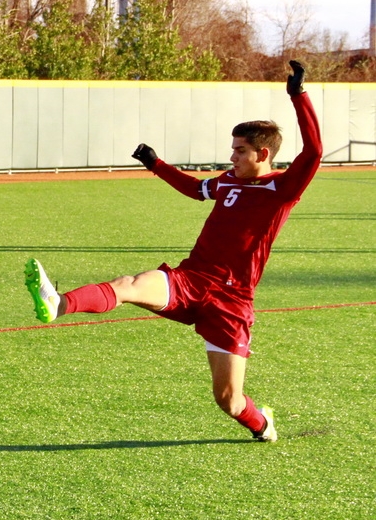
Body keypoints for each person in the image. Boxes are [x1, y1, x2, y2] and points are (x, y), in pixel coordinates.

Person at [24, 61, 321, 442]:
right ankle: (58, 303)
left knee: (228, 400)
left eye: (240, 150)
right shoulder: (229, 181)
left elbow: (314, 151)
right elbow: (195, 189)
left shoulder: (283, 188)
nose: (231, 157)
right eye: (232, 148)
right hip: (190, 279)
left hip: (231, 301)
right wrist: (156, 164)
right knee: (129, 284)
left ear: (263, 154)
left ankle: (262, 425)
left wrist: (298, 96)